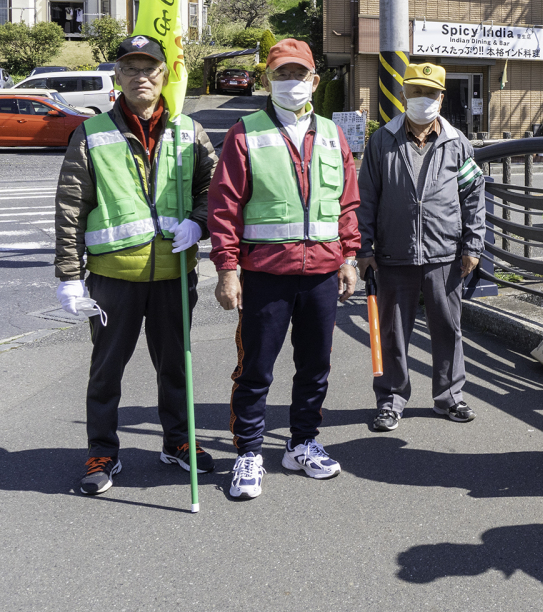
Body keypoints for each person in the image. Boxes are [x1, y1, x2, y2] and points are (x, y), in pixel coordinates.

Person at [54, 34, 217, 496]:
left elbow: (214, 190)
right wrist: (68, 277)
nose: (140, 77)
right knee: (106, 372)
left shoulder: (190, 131)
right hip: (113, 278)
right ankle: (102, 450)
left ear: (164, 75)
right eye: (130, 68)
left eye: (149, 69)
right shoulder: (91, 133)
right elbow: (71, 207)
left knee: (177, 368)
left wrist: (198, 224)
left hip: (173, 274)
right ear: (117, 76)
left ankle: (179, 442)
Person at [208, 39, 360, 500]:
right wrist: (227, 269)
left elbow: (347, 204)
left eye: (298, 74)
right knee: (255, 368)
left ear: (314, 80)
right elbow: (224, 206)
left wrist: (349, 257)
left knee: (315, 366)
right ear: (268, 80)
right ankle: (250, 451)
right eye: (281, 74)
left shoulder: (334, 134)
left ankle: (302, 442)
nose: (290, 82)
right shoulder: (245, 132)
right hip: (265, 273)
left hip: (321, 272)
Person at [356, 63, 485, 429]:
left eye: (430, 93)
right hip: (393, 253)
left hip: (445, 252)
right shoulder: (382, 140)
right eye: (415, 92)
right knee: (393, 332)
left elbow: (474, 197)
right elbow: (365, 198)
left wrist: (473, 245)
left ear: (441, 98)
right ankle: (391, 399)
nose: (422, 99)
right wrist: (364, 249)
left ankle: (449, 397)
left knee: (448, 327)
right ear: (403, 95)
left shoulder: (459, 143)